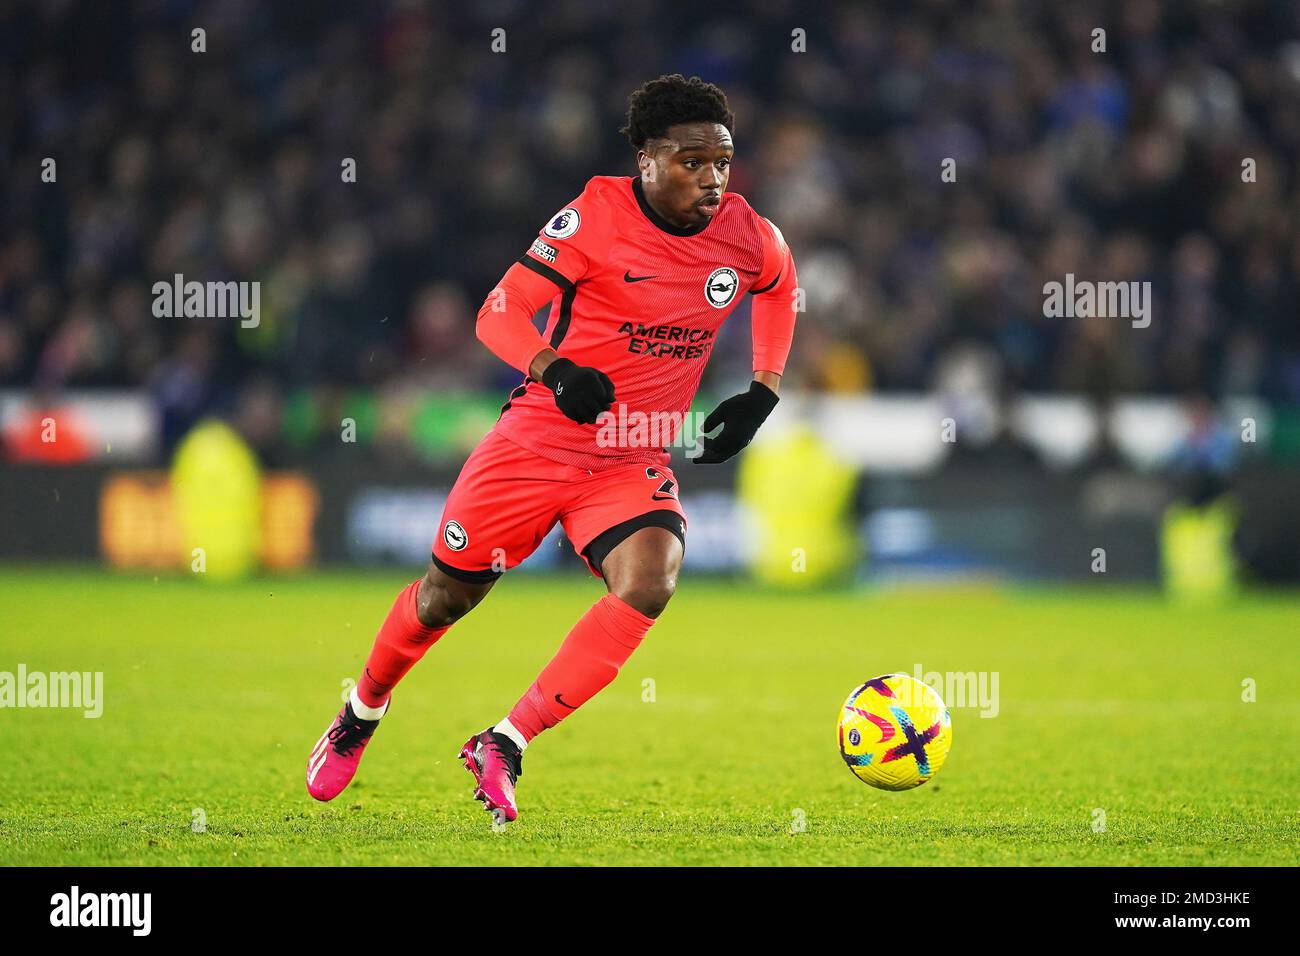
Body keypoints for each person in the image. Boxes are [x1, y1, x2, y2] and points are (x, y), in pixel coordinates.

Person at [306, 74, 799, 825]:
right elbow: (499, 311)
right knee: (446, 599)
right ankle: (362, 710)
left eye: (722, 163)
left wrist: (762, 392)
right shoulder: (595, 217)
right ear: (646, 160)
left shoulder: (744, 234)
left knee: (651, 579)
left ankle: (505, 741)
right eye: (692, 161)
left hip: (632, 455)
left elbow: (780, 282)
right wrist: (553, 368)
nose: (711, 178)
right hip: (537, 443)